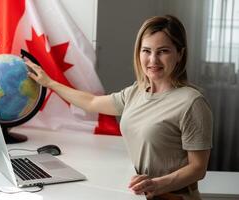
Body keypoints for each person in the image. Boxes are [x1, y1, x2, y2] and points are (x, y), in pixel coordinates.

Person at [26, 15, 212, 200]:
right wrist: (49, 82)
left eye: (163, 51)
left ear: (180, 54)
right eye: (146, 51)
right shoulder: (135, 92)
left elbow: (198, 169)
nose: (153, 60)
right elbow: (91, 102)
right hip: (140, 194)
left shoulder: (192, 103)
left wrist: (157, 184)